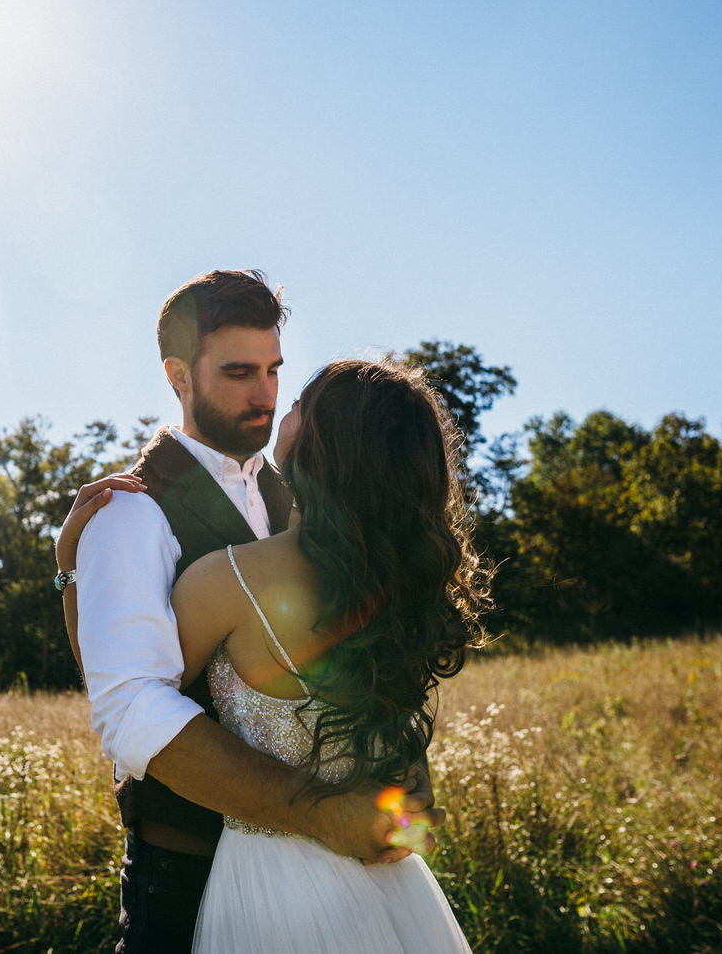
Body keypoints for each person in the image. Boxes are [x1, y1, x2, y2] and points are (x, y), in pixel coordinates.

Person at [58, 270, 441, 954]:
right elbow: (128, 707)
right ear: (179, 376)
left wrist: (403, 783)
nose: (264, 393)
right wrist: (71, 574)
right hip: (189, 872)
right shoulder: (130, 513)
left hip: (351, 878)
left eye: (274, 370)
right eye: (239, 371)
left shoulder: (308, 496)